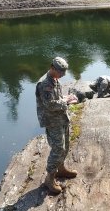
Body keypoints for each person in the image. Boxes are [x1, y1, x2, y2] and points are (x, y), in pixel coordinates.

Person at [35, 57, 79, 194]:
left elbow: (57, 98)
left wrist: (67, 98)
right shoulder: (44, 84)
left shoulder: (54, 80)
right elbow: (49, 104)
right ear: (52, 67)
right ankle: (49, 179)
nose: (62, 75)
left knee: (65, 145)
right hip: (52, 121)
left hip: (61, 118)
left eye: (64, 72)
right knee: (58, 148)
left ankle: (61, 169)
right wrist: (66, 101)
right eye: (60, 72)